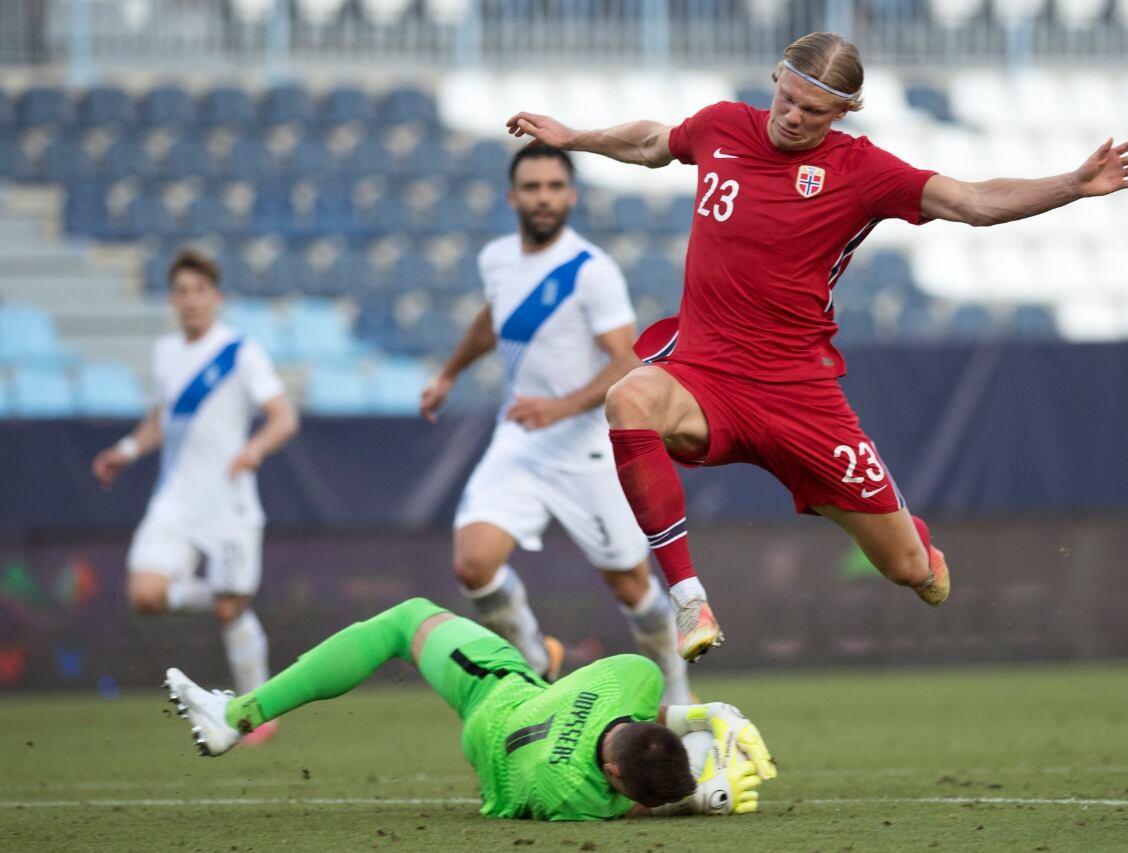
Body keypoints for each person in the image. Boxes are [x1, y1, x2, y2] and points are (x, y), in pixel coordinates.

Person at [505, 32, 1128, 661]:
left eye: (812, 110)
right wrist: (574, 138)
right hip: (704, 376)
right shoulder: (722, 126)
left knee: (912, 573)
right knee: (630, 398)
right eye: (786, 98)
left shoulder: (862, 170)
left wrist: (1072, 183)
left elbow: (973, 201)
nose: (791, 116)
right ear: (776, 82)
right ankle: (687, 597)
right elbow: (652, 141)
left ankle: (915, 548)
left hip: (800, 398)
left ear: (843, 112)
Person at [419, 144, 691, 702]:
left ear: (571, 195)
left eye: (553, 187)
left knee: (632, 587)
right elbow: (494, 320)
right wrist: (449, 373)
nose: (543, 197)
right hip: (520, 441)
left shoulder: (592, 272)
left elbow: (626, 362)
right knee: (473, 564)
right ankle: (538, 661)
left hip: (588, 449)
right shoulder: (497, 258)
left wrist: (559, 406)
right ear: (512, 196)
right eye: (532, 187)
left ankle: (677, 695)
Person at [164, 597, 775, 820]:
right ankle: (545, 660)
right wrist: (697, 794)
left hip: (497, 688)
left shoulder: (632, 676)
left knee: (404, 621)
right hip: (495, 759)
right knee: (546, 682)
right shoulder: (585, 803)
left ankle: (238, 716)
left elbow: (649, 710)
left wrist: (709, 712)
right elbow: (635, 801)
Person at [93, 249, 299, 742]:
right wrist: (126, 448)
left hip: (229, 502)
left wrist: (255, 448)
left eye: (199, 291)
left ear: (216, 297)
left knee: (230, 613)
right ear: (172, 299)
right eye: (182, 291)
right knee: (145, 594)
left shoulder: (239, 351)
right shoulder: (166, 353)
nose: (191, 301)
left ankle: (259, 711)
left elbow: (283, 417)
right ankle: (229, 597)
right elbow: (163, 419)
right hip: (176, 499)